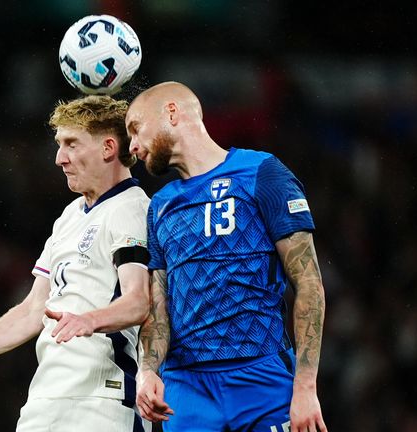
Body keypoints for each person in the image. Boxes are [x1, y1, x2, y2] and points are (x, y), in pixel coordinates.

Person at [0, 95, 152, 432]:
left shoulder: (131, 209)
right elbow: (34, 307)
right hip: (45, 398)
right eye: (59, 144)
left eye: (71, 144)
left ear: (108, 147)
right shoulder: (69, 216)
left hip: (100, 401)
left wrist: (88, 320)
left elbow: (139, 301)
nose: (59, 158)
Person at [126, 81, 329, 432]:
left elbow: (308, 283)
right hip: (186, 390)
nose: (132, 146)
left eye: (136, 129)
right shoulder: (159, 206)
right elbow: (158, 308)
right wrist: (146, 371)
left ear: (171, 113)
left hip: (262, 377)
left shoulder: (261, 173)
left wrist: (306, 387)